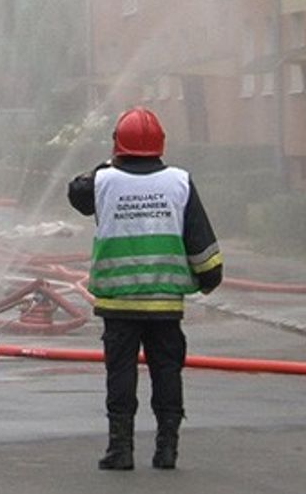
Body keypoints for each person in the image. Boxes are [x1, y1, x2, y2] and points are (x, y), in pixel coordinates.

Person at [67, 107, 223, 471]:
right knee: (167, 371)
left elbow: (76, 193)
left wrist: (108, 163)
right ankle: (167, 449)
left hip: (118, 305)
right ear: (160, 144)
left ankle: (120, 450)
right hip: (165, 304)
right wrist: (208, 279)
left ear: (118, 145)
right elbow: (200, 243)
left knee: (120, 373)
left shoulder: (103, 181)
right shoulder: (180, 182)